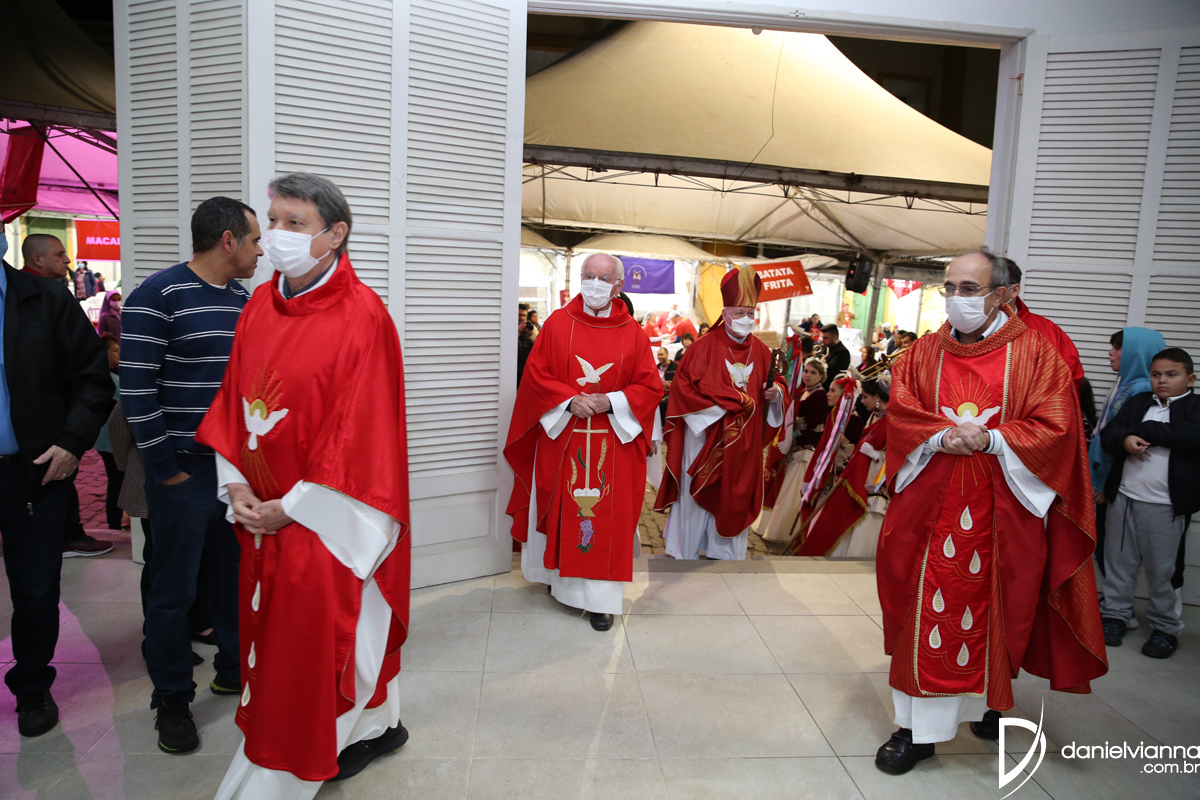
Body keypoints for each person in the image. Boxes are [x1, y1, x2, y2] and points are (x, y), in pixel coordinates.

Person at [194, 173, 412, 796]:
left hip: (327, 518)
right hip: (260, 513)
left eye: (295, 223)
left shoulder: (363, 316)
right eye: (273, 221)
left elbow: (360, 435)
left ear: (335, 234)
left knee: (329, 643)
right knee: (284, 639)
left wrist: (291, 508)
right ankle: (376, 728)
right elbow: (234, 402)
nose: (277, 235)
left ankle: (287, 766)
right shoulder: (261, 304)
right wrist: (235, 484)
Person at [873, 249, 1106, 776]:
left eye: (969, 289)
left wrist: (995, 439)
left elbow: (1058, 429)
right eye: (949, 287)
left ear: (1002, 294)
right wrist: (941, 435)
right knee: (922, 614)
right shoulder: (922, 352)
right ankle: (915, 731)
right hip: (930, 510)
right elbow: (902, 413)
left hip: (1003, 511)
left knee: (1001, 611)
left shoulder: (1037, 355)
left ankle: (986, 707)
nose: (956, 298)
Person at [121, 196, 261, 754]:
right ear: (228, 240)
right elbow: (136, 391)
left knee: (232, 579)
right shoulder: (157, 296)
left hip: (234, 471)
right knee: (173, 591)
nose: (260, 251)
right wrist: (166, 471)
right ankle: (172, 700)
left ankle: (233, 671)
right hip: (183, 469)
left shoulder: (242, 299)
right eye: (254, 239)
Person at [505, 252, 662, 631]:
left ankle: (600, 601)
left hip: (614, 443)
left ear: (618, 285)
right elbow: (536, 376)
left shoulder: (633, 332)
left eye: (603, 278)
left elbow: (650, 386)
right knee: (563, 509)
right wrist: (568, 400)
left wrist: (612, 401)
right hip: (564, 437)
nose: (594, 284)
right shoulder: (558, 323)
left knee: (607, 519)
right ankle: (557, 580)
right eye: (588, 276)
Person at [1, 237, 113, 738]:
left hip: (34, 472)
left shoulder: (45, 299)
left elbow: (92, 379)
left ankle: (31, 687)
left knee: (36, 589)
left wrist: (71, 444)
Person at [654, 266, 785, 561]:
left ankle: (726, 555)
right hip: (704, 439)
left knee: (734, 497)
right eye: (739, 313)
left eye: (750, 313)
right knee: (696, 498)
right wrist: (721, 413)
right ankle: (687, 552)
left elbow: (776, 384)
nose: (746, 319)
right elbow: (682, 392)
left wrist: (775, 394)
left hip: (744, 445)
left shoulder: (762, 351)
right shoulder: (701, 349)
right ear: (725, 314)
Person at [1098, 348, 1198, 659]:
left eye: (1171, 375)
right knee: (1118, 561)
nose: (1162, 380)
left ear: (1190, 379)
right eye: (1156, 375)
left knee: (1163, 570)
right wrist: (1125, 439)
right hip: (1125, 497)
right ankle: (1116, 615)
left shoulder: (1195, 407)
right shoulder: (1139, 402)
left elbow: (1188, 435)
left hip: (1165, 505)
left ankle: (1165, 627)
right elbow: (1110, 432)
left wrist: (1139, 430)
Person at [20, 235, 112, 556]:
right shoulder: (30, 296)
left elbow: (87, 367)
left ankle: (65, 533)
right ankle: (64, 534)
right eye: (59, 254)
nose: (68, 261)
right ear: (38, 259)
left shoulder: (54, 295)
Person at [1089, 328, 1165, 580]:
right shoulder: (1125, 383)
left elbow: (1123, 445)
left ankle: (1117, 601)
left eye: (1119, 347)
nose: (1111, 353)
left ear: (1137, 352)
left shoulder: (1141, 390)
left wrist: (1104, 484)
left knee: (1111, 546)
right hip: (1103, 478)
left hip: (1113, 484)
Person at [794, 375, 890, 556]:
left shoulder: (892, 422)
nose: (862, 401)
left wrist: (877, 455)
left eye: (865, 397)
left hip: (872, 487)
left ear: (877, 397)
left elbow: (901, 456)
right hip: (857, 477)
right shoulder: (874, 416)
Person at [760, 357, 827, 543]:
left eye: (813, 372)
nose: (808, 375)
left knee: (792, 492)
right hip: (794, 447)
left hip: (805, 451)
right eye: (806, 371)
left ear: (821, 376)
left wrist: (789, 423)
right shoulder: (804, 391)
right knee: (783, 486)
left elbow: (809, 422)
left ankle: (783, 531)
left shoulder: (820, 395)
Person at [1005, 264, 1085, 391]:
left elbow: (1069, 377)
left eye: (993, 287)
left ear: (1014, 290)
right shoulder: (969, 329)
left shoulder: (1047, 331)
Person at [95, 333, 124, 530]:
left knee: (116, 480)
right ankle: (114, 521)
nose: (118, 353)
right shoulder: (110, 379)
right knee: (117, 481)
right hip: (111, 442)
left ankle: (116, 519)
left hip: (105, 441)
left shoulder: (106, 375)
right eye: (114, 350)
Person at [819, 324, 851, 389]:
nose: (822, 340)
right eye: (822, 337)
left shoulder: (842, 352)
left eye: (825, 338)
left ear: (835, 337)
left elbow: (830, 373)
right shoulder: (826, 347)